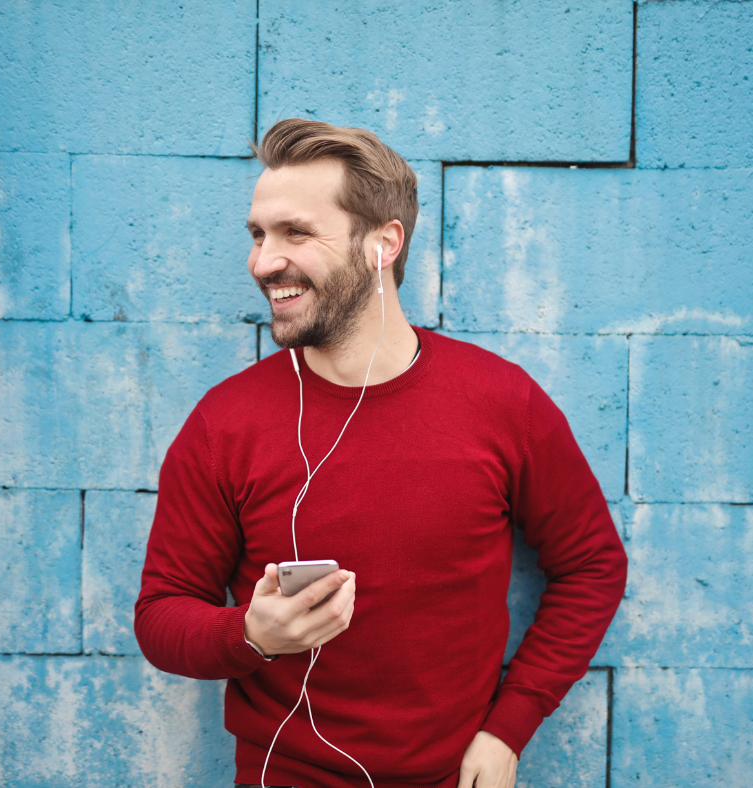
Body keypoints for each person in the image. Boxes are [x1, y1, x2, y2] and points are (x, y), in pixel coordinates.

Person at [134, 118, 628, 788]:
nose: (261, 262)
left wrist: (509, 728)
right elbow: (163, 613)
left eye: (295, 233)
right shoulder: (225, 425)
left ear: (382, 244)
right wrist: (251, 636)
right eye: (257, 235)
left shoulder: (500, 402)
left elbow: (592, 566)